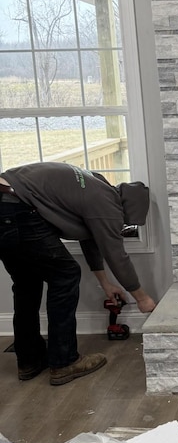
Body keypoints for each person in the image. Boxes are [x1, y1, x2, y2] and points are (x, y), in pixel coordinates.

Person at [0, 162, 157, 386]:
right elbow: (116, 255)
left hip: (6, 202)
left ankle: (29, 360)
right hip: (18, 207)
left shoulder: (96, 184)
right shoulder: (107, 206)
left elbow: (91, 239)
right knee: (65, 275)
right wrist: (142, 298)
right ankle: (64, 362)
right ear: (124, 209)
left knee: (27, 283)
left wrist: (105, 283)